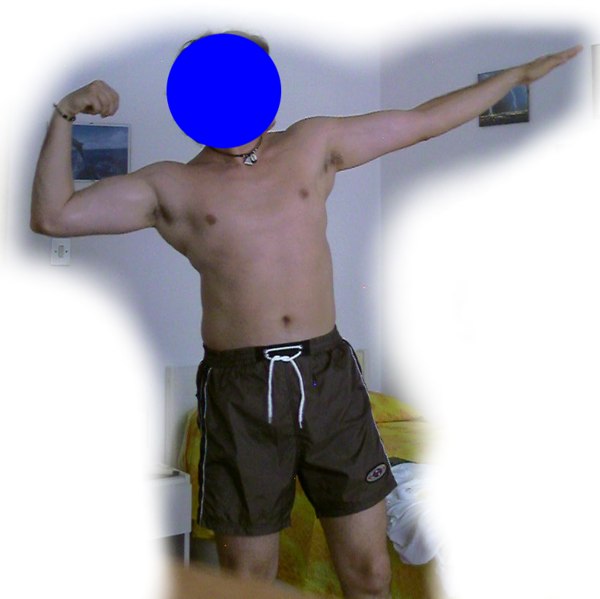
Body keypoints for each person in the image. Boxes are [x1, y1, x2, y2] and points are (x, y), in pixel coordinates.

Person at [30, 33, 581, 599]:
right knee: (249, 584)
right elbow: (53, 216)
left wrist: (516, 76)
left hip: (328, 375)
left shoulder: (313, 144)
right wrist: (64, 113)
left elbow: (421, 121)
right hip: (242, 390)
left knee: (370, 575)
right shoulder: (170, 185)